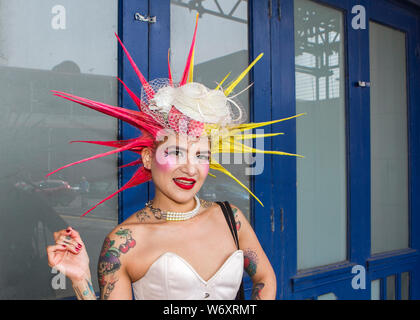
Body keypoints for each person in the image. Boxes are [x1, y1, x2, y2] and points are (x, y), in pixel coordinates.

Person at [46, 15, 302, 300]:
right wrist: (81, 279)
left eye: (201, 155)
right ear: (147, 157)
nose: (190, 167)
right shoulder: (122, 242)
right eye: (176, 151)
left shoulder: (232, 219)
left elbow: (265, 276)